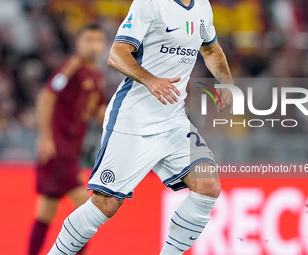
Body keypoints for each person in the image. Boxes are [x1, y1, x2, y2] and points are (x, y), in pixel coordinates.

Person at [48, 0, 233, 254]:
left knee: (208, 186)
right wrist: (151, 81)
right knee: (106, 204)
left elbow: (212, 50)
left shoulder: (203, 7)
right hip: (133, 119)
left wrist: (227, 81)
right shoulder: (150, 3)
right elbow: (117, 54)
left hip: (173, 120)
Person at [28, 24, 107, 255]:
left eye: (97, 40)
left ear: (103, 45)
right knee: (86, 211)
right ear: (79, 43)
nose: (93, 45)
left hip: (70, 151)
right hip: (58, 150)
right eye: (88, 40)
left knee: (46, 211)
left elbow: (101, 112)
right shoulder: (72, 67)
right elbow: (46, 97)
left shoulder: (97, 76)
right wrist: (45, 138)